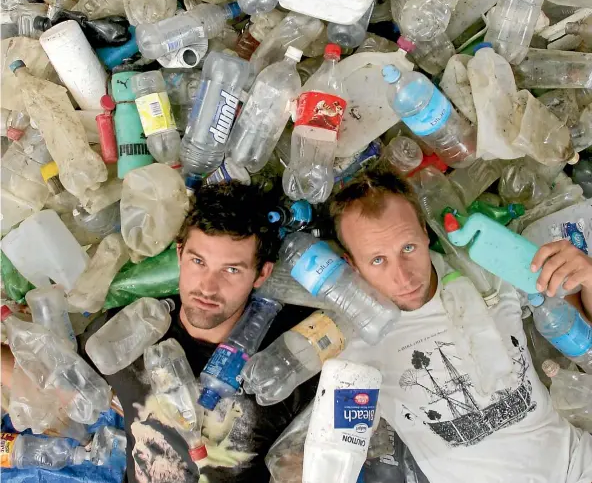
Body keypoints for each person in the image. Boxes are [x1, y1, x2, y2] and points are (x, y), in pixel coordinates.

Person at [329, 165, 592, 483]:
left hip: (577, 465)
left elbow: (581, 321)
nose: (404, 277)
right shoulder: (348, 341)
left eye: (408, 248)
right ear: (352, 265)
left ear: (425, 234)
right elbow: (338, 446)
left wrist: (587, 277)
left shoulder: (488, 268)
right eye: (378, 260)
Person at [63, 182, 314, 482]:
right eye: (199, 262)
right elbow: (49, 381)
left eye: (231, 270)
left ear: (262, 274)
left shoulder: (289, 360)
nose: (208, 287)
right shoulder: (126, 333)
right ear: (180, 254)